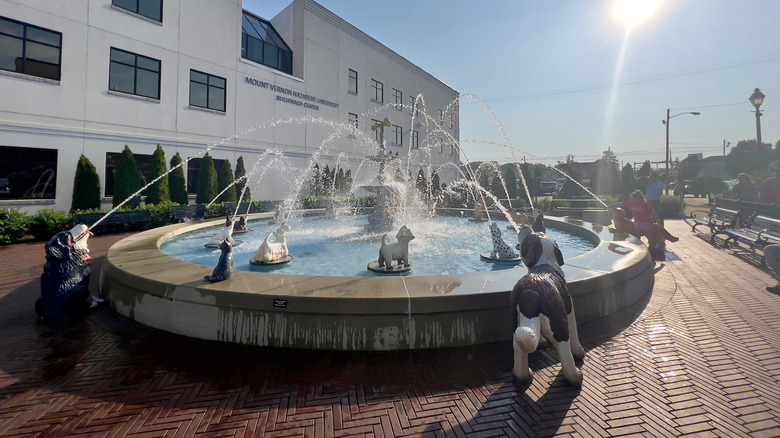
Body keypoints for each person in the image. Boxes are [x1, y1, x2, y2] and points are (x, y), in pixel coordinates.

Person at [609, 190, 678, 259]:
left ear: (639, 198)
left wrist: (658, 219)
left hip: (647, 222)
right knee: (636, 234)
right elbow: (621, 204)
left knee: (648, 234)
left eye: (633, 199)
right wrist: (612, 205)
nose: (632, 200)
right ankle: (637, 247)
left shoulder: (645, 204)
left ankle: (652, 246)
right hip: (638, 222)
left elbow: (652, 212)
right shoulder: (631, 203)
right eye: (631, 199)